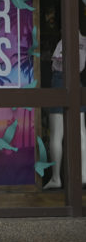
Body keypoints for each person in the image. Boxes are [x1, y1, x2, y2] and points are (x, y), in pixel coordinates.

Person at [44, 36, 86, 189]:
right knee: (81, 131)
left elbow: (58, 60)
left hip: (60, 79)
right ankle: (83, 174)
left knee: (56, 133)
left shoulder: (65, 40)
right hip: (77, 80)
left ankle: (56, 178)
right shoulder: (84, 42)